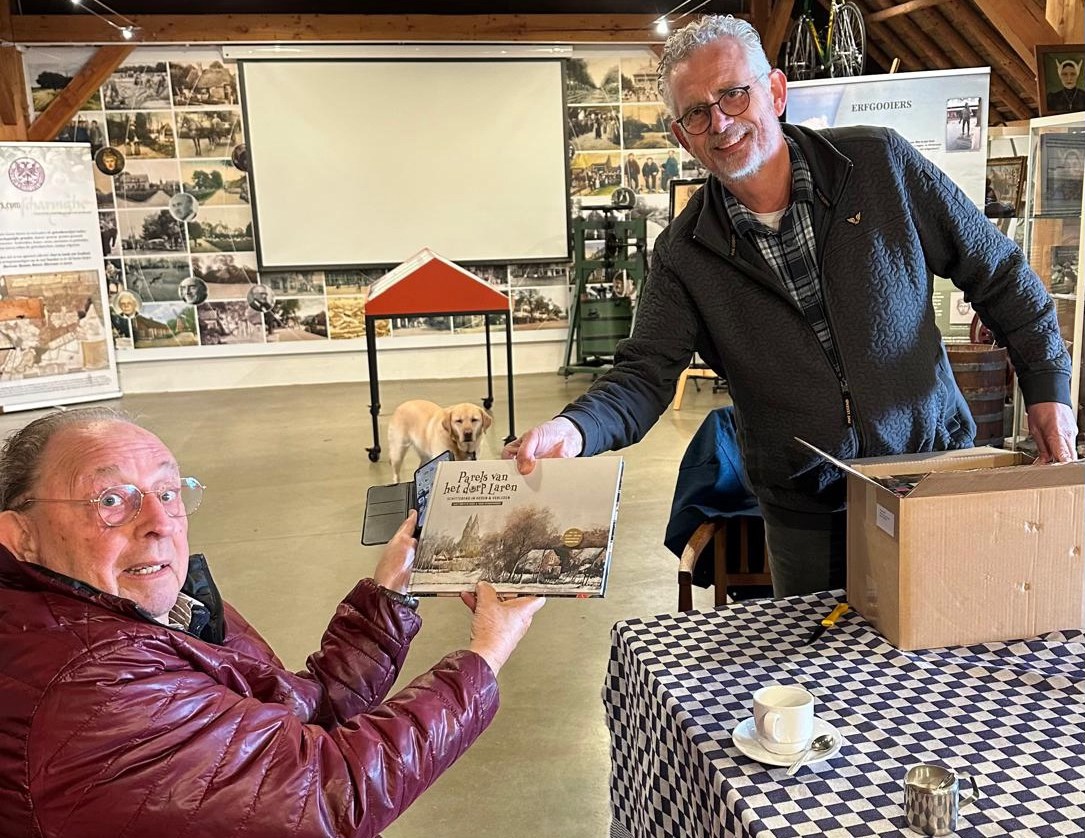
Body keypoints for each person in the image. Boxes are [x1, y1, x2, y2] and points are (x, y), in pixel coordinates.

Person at [503, 14, 1076, 599]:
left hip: (930, 473)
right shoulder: (683, 253)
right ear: (681, 137)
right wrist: (573, 429)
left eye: (733, 93)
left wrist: (1047, 388)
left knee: (952, 644)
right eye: (696, 112)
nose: (719, 122)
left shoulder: (878, 165)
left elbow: (999, 272)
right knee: (825, 680)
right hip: (806, 510)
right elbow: (643, 375)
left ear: (775, 92)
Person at [0, 408, 545, 835]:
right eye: (111, 499)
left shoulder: (135, 611)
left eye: (168, 492)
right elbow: (328, 790)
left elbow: (299, 713)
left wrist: (389, 592)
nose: (161, 522)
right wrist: (486, 653)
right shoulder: (95, 686)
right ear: (19, 534)